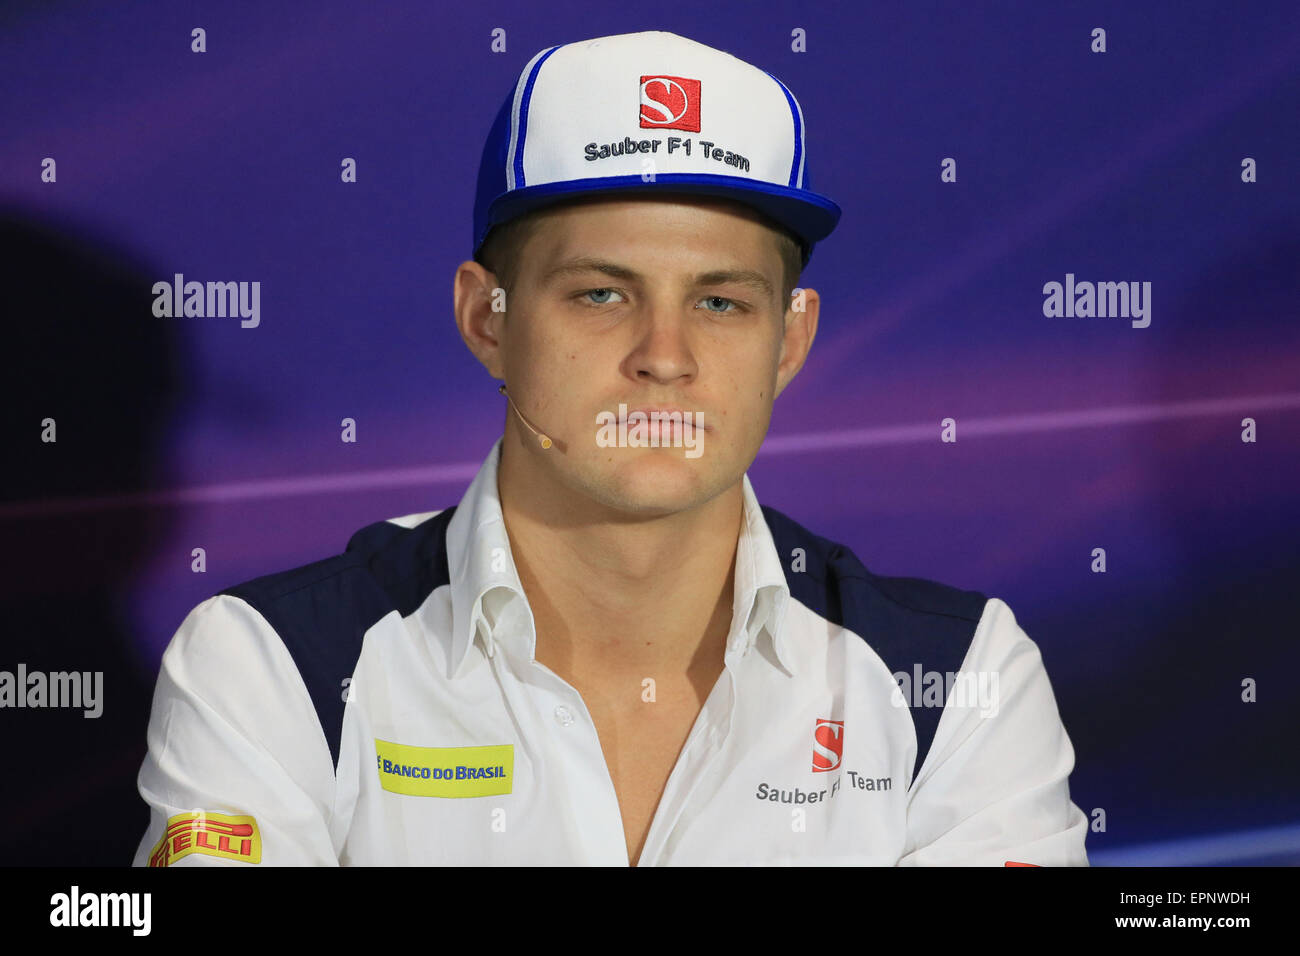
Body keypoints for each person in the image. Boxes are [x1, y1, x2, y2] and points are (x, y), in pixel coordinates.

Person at [132, 30, 1089, 866]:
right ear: (486, 318)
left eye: (721, 302)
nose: (664, 358)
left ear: (789, 341)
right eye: (600, 292)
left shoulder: (963, 680)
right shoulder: (270, 665)